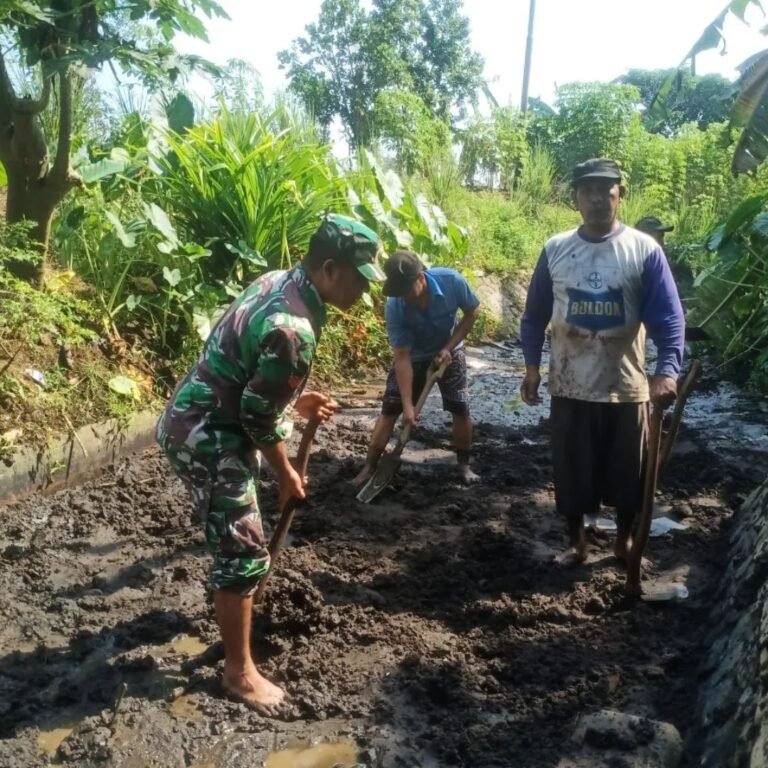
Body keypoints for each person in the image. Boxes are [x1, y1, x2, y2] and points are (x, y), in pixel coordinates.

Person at [156, 213, 385, 714]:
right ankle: (239, 673)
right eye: (358, 280)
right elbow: (257, 419)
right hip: (208, 434)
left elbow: (247, 367)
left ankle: (232, 609)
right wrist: (286, 474)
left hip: (205, 412)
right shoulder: (293, 328)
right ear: (329, 268)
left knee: (237, 538)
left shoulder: (279, 281)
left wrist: (292, 401)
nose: (362, 294)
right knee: (244, 549)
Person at [520, 158, 684, 575]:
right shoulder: (556, 249)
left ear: (620, 194)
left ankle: (624, 541)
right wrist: (532, 366)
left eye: (605, 189)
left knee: (629, 473)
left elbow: (668, 318)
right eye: (587, 189)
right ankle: (577, 544)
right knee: (572, 471)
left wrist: (667, 370)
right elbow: (534, 314)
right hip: (570, 382)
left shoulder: (643, 250)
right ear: (575, 197)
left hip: (625, 386)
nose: (596, 197)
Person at [354, 250, 482, 487]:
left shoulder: (451, 281)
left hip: (449, 351)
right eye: (398, 291)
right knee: (390, 410)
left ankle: (464, 466)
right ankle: (369, 467)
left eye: (406, 289)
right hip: (413, 356)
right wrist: (408, 407)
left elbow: (472, 311)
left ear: (421, 278)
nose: (403, 296)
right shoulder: (395, 307)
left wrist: (449, 347)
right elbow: (402, 356)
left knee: (460, 408)